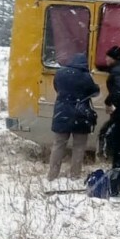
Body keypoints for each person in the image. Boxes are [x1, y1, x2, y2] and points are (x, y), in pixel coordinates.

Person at [48, 53, 100, 181]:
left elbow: (57, 88)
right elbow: (94, 92)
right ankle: (74, 175)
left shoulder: (60, 74)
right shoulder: (85, 77)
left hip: (62, 113)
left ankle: (52, 175)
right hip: (80, 115)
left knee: (59, 145)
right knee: (79, 147)